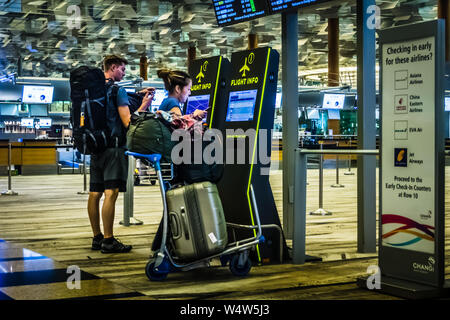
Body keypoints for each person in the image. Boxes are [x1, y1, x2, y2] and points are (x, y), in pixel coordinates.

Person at [88, 54, 154, 253]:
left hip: (95, 146)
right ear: (113, 67)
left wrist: (136, 94)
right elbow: (128, 121)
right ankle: (109, 241)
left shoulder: (94, 90)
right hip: (114, 149)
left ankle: (97, 237)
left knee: (94, 193)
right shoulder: (118, 90)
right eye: (122, 69)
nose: (124, 73)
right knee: (111, 192)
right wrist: (144, 106)